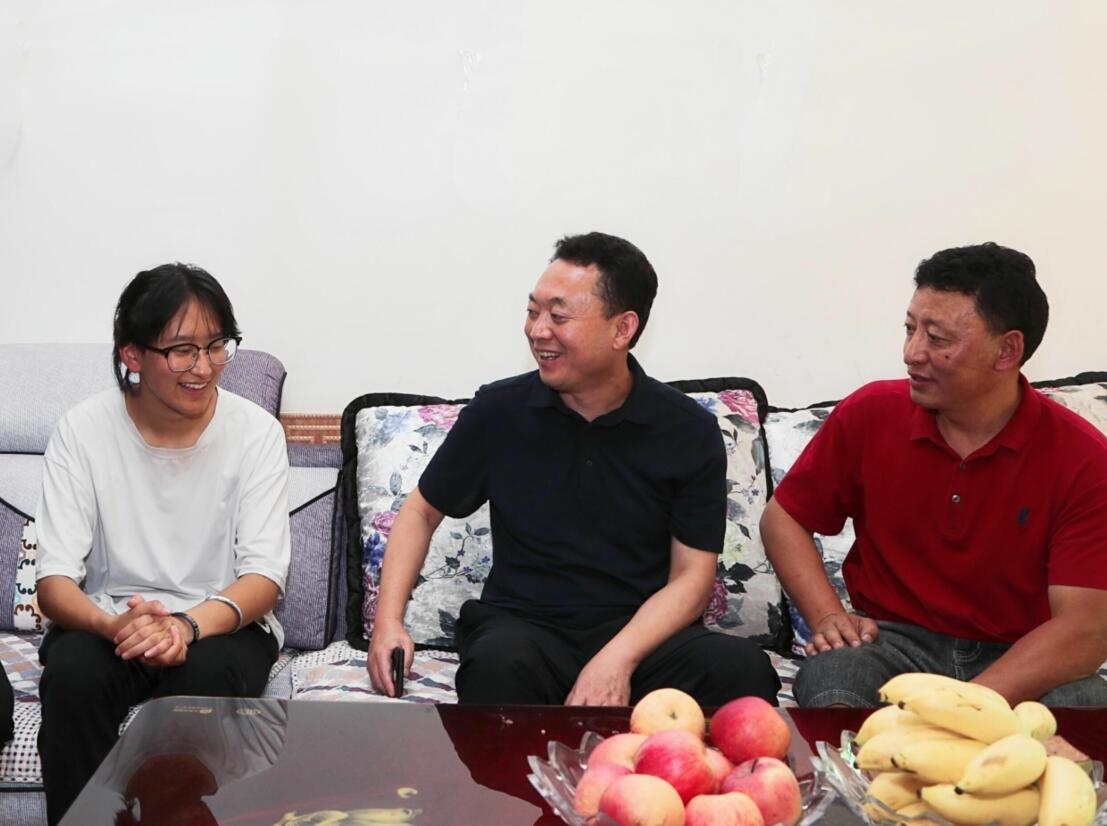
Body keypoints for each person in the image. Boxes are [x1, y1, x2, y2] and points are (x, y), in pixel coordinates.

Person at [366, 232, 780, 707]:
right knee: (496, 666)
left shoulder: (686, 429)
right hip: (525, 630)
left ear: (622, 329)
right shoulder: (499, 411)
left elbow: (692, 576)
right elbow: (420, 512)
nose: (538, 330)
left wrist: (617, 660)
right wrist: (388, 623)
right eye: (533, 311)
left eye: (558, 316)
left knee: (742, 671)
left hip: (642, 636)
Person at [761, 242, 1107, 708]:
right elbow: (782, 518)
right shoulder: (870, 413)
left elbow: (1083, 631)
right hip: (890, 642)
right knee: (834, 678)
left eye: (937, 339)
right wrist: (827, 616)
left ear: (1007, 350)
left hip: (1021, 653)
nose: (912, 353)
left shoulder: (1084, 458)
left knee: (1086, 706)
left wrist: (959, 709)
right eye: (910, 329)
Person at [35, 263, 291, 824]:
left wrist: (185, 626)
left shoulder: (256, 433)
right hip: (111, 621)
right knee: (74, 676)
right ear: (132, 354)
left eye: (216, 346)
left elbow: (264, 579)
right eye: (181, 351)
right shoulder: (82, 430)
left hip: (219, 626)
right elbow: (53, 582)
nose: (204, 367)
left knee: (200, 683)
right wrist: (114, 627)